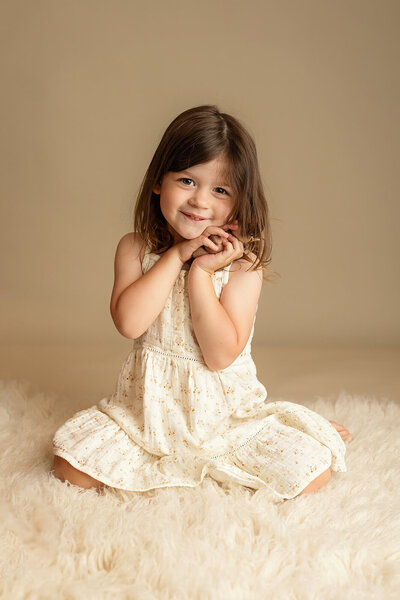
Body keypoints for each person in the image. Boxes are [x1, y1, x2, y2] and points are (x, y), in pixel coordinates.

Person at [52, 104, 353, 501]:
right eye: (188, 181)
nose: (200, 201)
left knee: (310, 473)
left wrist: (202, 273)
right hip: (145, 416)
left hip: (224, 418)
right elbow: (129, 323)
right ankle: (181, 467)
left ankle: (287, 436)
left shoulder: (244, 267)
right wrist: (176, 256)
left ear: (238, 203)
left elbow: (219, 355)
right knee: (69, 466)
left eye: (220, 190)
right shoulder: (136, 248)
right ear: (159, 181)